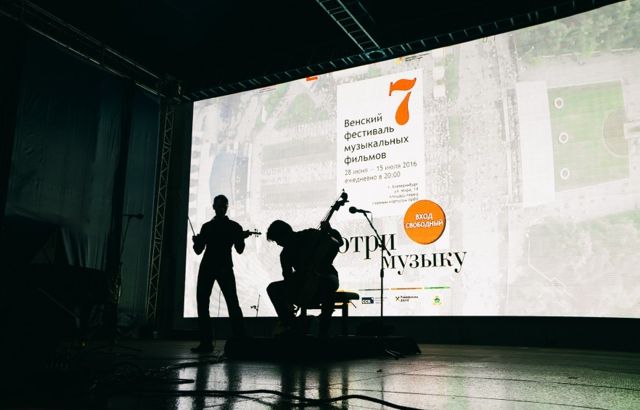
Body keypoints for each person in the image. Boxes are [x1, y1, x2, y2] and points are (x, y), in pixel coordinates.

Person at [191, 194, 250, 353]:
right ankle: (240, 339)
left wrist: (196, 241)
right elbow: (240, 249)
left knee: (203, 304)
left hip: (207, 267)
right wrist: (241, 238)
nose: (221, 208)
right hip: (224, 267)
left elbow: (198, 250)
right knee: (232, 304)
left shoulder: (207, 227)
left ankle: (206, 343)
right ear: (225, 207)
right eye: (221, 206)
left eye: (221, 206)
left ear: (214, 207)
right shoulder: (234, 226)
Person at [266, 219, 342, 338]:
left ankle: (324, 329)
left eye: (278, 240)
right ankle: (292, 324)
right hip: (303, 282)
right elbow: (288, 277)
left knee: (326, 286)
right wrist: (289, 297)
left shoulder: (309, 234)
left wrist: (330, 230)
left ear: (284, 235)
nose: (278, 244)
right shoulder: (284, 254)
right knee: (273, 288)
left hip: (327, 275)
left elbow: (338, 242)